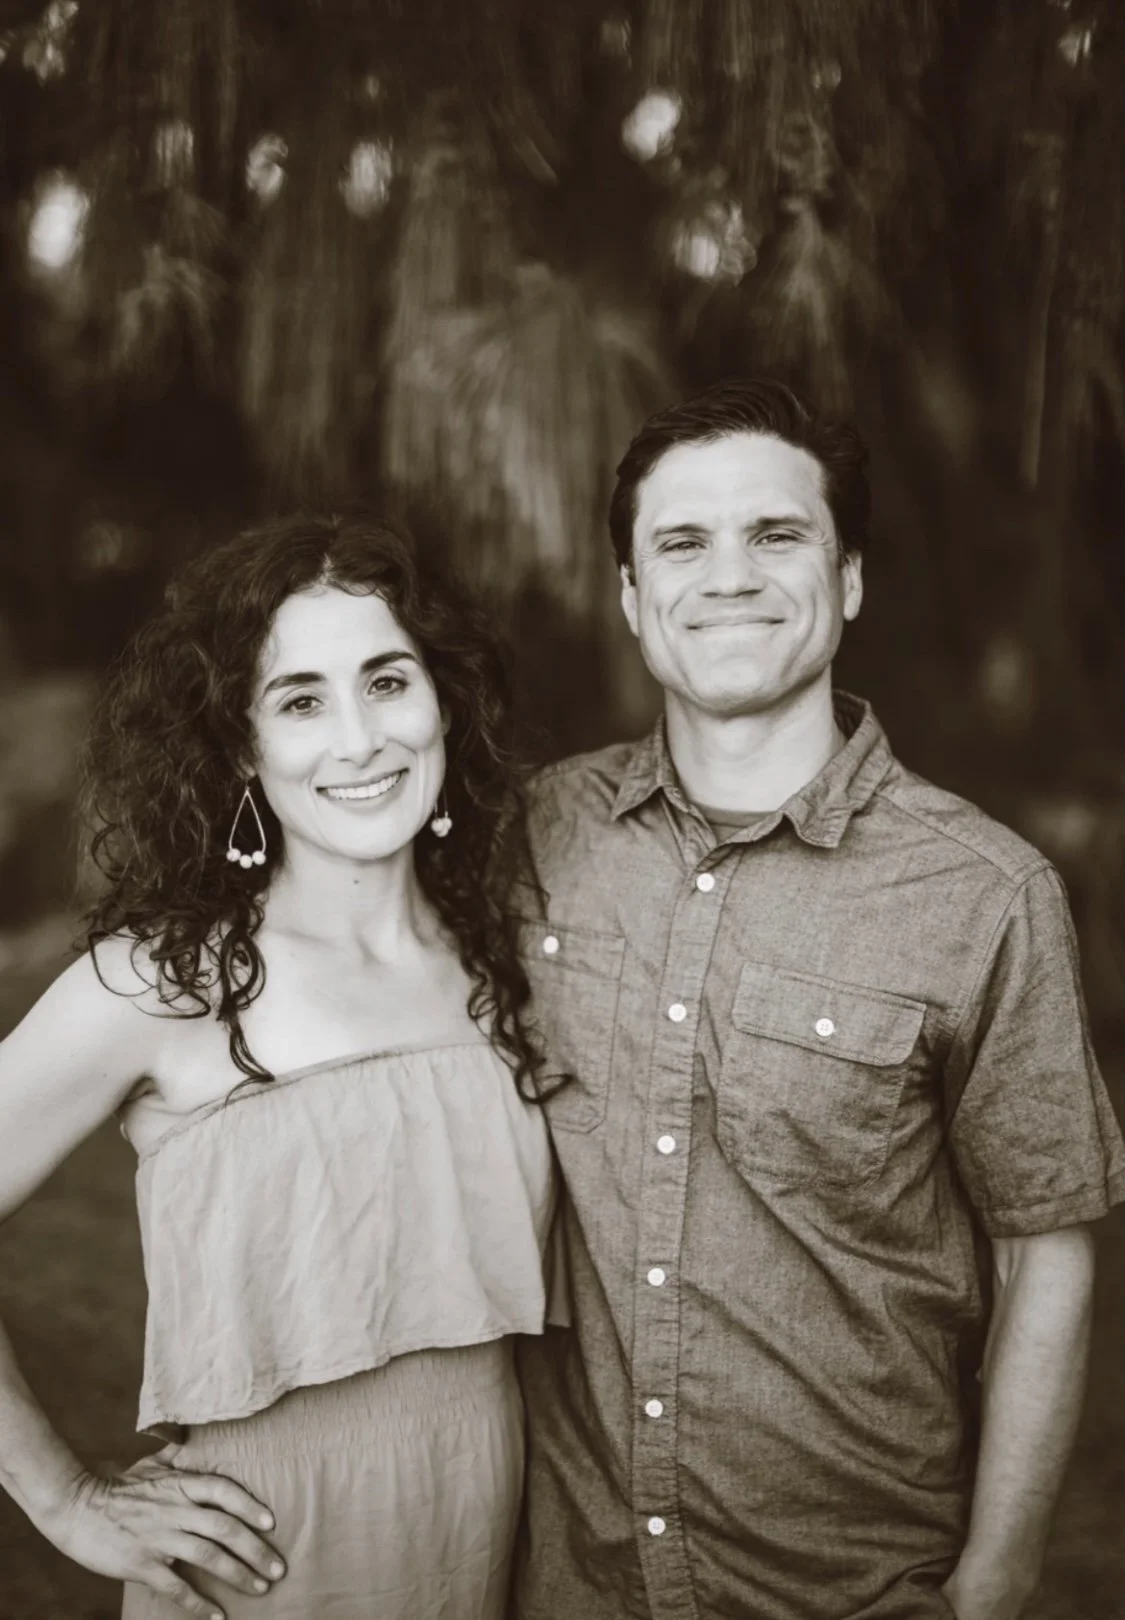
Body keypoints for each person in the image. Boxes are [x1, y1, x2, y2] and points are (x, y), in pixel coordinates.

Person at [511, 379, 1125, 1620]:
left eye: (776, 535)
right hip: (569, 1582)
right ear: (632, 599)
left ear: (848, 582)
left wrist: (995, 1583)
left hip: (854, 1589)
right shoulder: (534, 835)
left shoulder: (987, 895)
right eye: (681, 544)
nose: (727, 575)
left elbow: (1045, 1252)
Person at [0, 513, 556, 1620]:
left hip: (494, 1537)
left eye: (387, 681)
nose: (359, 739)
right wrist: (63, 1499)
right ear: (244, 747)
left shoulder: (508, 957)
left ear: (442, 702)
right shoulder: (161, 983)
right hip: (269, 1561)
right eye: (302, 700)